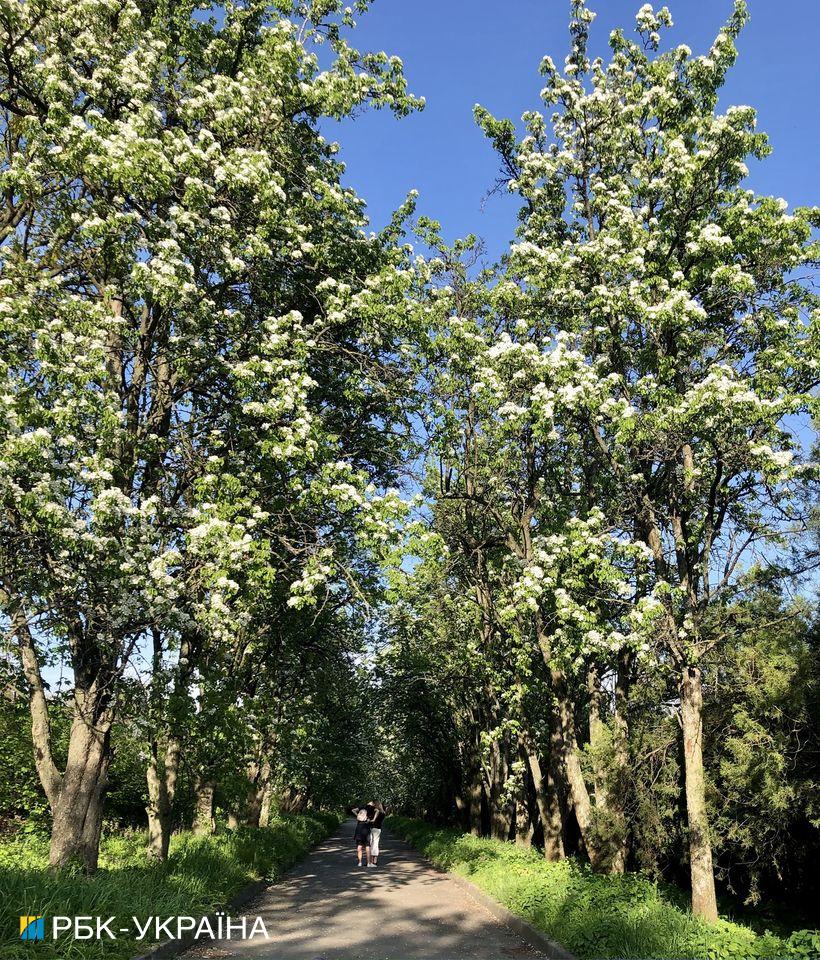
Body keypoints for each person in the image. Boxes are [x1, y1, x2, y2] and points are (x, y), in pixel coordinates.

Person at [368, 800, 386, 867]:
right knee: (375, 844)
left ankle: (370, 860)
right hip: (378, 829)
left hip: (372, 828)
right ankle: (374, 861)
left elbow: (371, 819)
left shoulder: (375, 812)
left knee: (370, 844)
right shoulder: (383, 813)